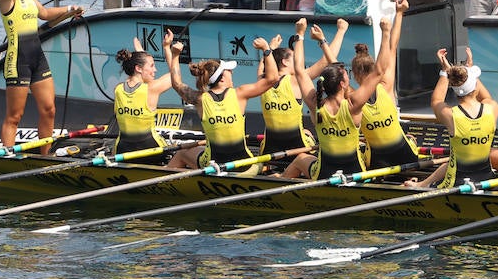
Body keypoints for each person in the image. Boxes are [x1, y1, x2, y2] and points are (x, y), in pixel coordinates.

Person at [0, 0, 84, 150]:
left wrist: (70, 10)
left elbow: (44, 13)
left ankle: (45, 156)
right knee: (14, 116)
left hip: (37, 58)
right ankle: (7, 157)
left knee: (49, 109)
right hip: (18, 61)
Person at [283, 20, 385, 181]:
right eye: (346, 75)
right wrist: (386, 32)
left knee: (300, 158)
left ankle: (279, 184)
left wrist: (300, 35)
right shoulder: (354, 104)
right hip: (355, 173)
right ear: (343, 84)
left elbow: (299, 71)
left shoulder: (315, 103)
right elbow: (379, 71)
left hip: (323, 173)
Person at [164, 33, 276, 174]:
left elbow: (177, 84)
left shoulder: (200, 99)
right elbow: (272, 78)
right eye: (229, 71)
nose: (232, 73)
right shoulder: (240, 93)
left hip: (212, 165)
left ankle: (166, 188)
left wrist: (175, 56)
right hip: (245, 167)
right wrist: (266, 49)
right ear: (222, 79)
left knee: (182, 153)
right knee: (262, 163)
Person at [405, 48, 498, 190]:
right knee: (452, 162)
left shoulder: (451, 115)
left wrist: (445, 72)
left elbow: (436, 100)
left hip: (456, 183)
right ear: (475, 86)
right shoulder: (492, 108)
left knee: (453, 162)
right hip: (487, 180)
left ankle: (419, 185)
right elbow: (485, 96)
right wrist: (469, 70)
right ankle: (420, 185)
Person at [354, 0, 422, 169]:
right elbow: (393, 47)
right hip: (405, 155)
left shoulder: (353, 97)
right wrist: (399, 13)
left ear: (354, 76)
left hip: (376, 161)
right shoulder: (386, 84)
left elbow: (334, 66)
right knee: (411, 139)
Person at [258, 23, 340, 157]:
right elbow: (327, 59)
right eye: (293, 57)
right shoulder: (295, 80)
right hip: (298, 148)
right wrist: (340, 32)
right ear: (284, 62)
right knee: (308, 134)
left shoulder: (262, 80)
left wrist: (270, 48)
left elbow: (263, 66)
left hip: (269, 148)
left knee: (305, 131)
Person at [110, 34, 176, 163]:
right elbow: (175, 74)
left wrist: (140, 55)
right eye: (152, 66)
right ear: (138, 68)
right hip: (152, 150)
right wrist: (167, 47)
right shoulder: (152, 88)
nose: (155, 70)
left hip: (123, 150)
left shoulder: (118, 89)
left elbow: (134, 79)